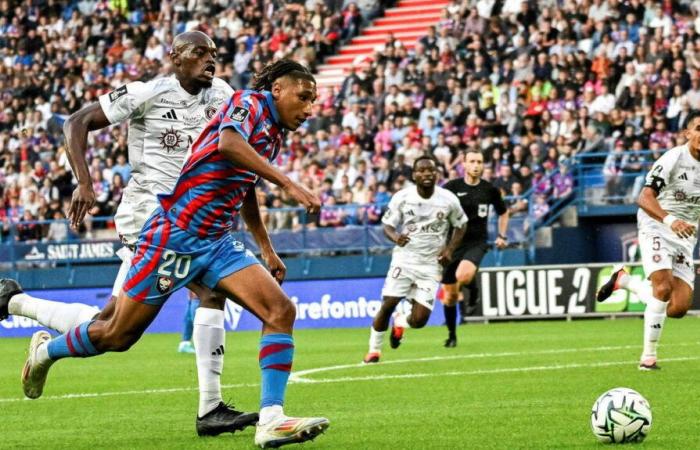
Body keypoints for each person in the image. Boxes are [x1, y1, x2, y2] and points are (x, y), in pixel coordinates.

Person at [13, 59, 329, 448]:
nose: (310, 109)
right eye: (304, 97)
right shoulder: (248, 103)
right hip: (174, 235)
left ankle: (271, 419)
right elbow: (228, 144)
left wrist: (266, 246)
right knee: (116, 333)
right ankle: (46, 352)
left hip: (216, 242)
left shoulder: (273, 132)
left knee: (280, 311)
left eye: (314, 101)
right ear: (278, 89)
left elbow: (245, 184)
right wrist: (290, 186)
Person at [0, 32, 259, 436]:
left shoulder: (222, 94)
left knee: (144, 314)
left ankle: (211, 409)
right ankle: (28, 320)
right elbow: (77, 121)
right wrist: (83, 182)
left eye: (214, 54)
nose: (211, 60)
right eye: (200, 53)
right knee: (123, 325)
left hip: (193, 219)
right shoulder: (147, 93)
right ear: (174, 57)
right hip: (148, 218)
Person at [596, 111, 700, 371]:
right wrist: (669, 220)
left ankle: (626, 281)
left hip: (686, 236)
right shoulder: (674, 157)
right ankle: (648, 358)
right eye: (699, 128)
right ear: (687, 133)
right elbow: (644, 197)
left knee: (678, 308)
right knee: (662, 288)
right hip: (657, 223)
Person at [363, 155, 467, 364]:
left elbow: (461, 224)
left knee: (419, 321)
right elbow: (388, 226)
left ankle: (400, 322)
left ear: (437, 173)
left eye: (431, 170)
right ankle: (374, 350)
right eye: (422, 170)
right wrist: (395, 237)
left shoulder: (448, 199)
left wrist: (450, 250)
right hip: (405, 260)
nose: (427, 174)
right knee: (389, 303)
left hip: (431, 265)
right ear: (414, 175)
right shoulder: (403, 197)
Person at [441, 149, 509, 347]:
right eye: (472, 161)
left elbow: (503, 213)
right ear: (464, 164)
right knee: (450, 296)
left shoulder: (489, 190)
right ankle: (452, 335)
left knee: (463, 275)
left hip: (477, 242)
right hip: (452, 244)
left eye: (480, 162)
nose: (477, 165)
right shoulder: (450, 188)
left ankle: (473, 287)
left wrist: (502, 235)